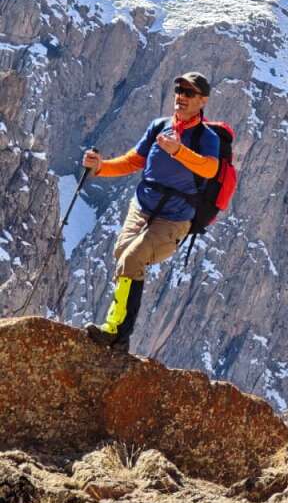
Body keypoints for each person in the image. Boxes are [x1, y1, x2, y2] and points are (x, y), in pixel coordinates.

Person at [82, 72, 220, 352]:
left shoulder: (207, 137)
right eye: (179, 89)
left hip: (174, 219)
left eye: (189, 93)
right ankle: (118, 330)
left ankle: (117, 333)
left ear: (202, 101)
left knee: (132, 259)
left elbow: (210, 168)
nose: (181, 96)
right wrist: (100, 167)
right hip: (142, 207)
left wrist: (178, 151)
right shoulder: (159, 126)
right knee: (122, 253)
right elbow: (135, 160)